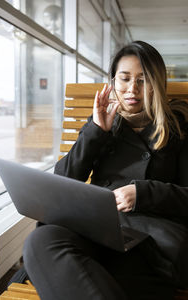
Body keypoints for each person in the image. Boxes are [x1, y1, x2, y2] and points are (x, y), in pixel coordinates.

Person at [23, 41, 188, 300]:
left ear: (156, 83)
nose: (132, 89)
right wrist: (96, 132)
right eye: (124, 79)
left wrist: (144, 193)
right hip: (96, 231)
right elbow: (62, 183)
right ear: (113, 82)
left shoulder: (177, 128)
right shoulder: (103, 123)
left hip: (148, 244)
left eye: (143, 81)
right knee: (39, 241)